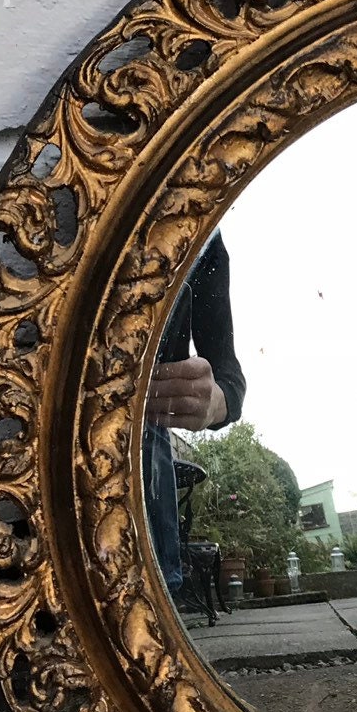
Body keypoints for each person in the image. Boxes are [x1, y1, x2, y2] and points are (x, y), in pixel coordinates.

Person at [143, 230, 245, 594]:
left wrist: (211, 402)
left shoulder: (204, 239)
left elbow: (229, 379)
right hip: (28, 419)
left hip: (144, 442)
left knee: (149, 592)